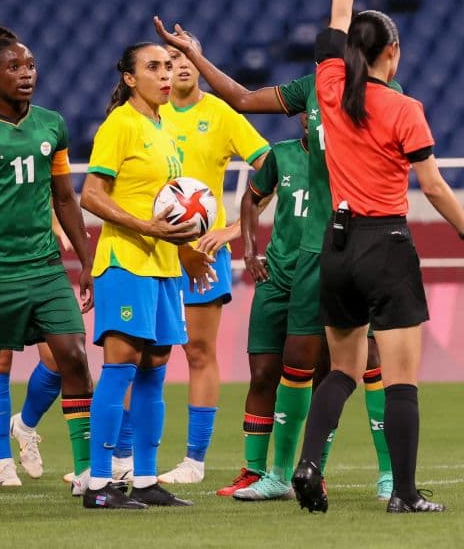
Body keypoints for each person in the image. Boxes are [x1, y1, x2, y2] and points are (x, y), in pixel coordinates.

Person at [289, 0, 464, 514]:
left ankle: (309, 464)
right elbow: (430, 185)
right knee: (401, 379)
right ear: (394, 53)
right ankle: (404, 494)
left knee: (341, 372)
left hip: (335, 247)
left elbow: (335, 19)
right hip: (385, 244)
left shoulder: (329, 87)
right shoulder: (405, 108)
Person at [153, 29, 398, 501]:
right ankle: (279, 474)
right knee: (291, 365)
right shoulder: (306, 98)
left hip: (358, 245)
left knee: (366, 361)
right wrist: (195, 56)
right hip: (299, 260)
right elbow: (243, 100)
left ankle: (386, 474)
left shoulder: (382, 96)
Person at [0, 26, 96, 499]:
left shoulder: (53, 124)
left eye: (29, 66)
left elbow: (65, 200)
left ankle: (86, 470)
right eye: (14, 67)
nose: (26, 74)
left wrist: (87, 259)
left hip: (46, 269)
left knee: (74, 357)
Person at [79, 42, 212, 509]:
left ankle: (145, 479)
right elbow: (90, 195)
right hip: (125, 262)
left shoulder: (164, 128)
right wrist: (145, 228)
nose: (165, 73)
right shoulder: (121, 124)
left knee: (155, 370)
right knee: (121, 368)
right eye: (153, 67)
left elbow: (167, 207)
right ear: (131, 78)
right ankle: (98, 485)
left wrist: (188, 251)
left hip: (163, 266)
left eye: (169, 66)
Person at [152, 35, 271, 485]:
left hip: (203, 254)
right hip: (154, 250)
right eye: (169, 60)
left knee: (199, 352)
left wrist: (232, 230)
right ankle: (123, 456)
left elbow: (272, 167)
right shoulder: (149, 115)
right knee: (147, 354)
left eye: (186, 57)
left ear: (200, 64)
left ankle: (194, 462)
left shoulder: (220, 114)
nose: (179, 66)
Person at [0, 63, 71, 488]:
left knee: (58, 358)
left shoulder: (39, 132)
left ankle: (24, 425)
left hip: (37, 263)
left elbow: (48, 195)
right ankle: (2, 461)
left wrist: (57, 227)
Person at [225, 116, 309, 501]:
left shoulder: (343, 157)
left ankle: (311, 469)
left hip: (318, 279)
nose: (313, 118)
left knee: (312, 375)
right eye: (307, 111)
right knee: (262, 374)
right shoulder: (283, 155)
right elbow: (251, 198)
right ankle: (253, 470)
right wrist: (249, 248)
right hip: (275, 277)